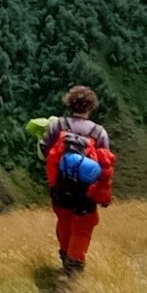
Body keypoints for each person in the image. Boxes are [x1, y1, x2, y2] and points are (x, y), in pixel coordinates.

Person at [25, 85, 116, 275]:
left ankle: (65, 255)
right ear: (91, 107)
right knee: (83, 226)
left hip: (59, 187)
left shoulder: (56, 125)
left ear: (69, 104)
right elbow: (106, 167)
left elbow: (44, 152)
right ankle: (74, 265)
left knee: (64, 220)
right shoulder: (99, 133)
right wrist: (104, 196)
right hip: (86, 193)